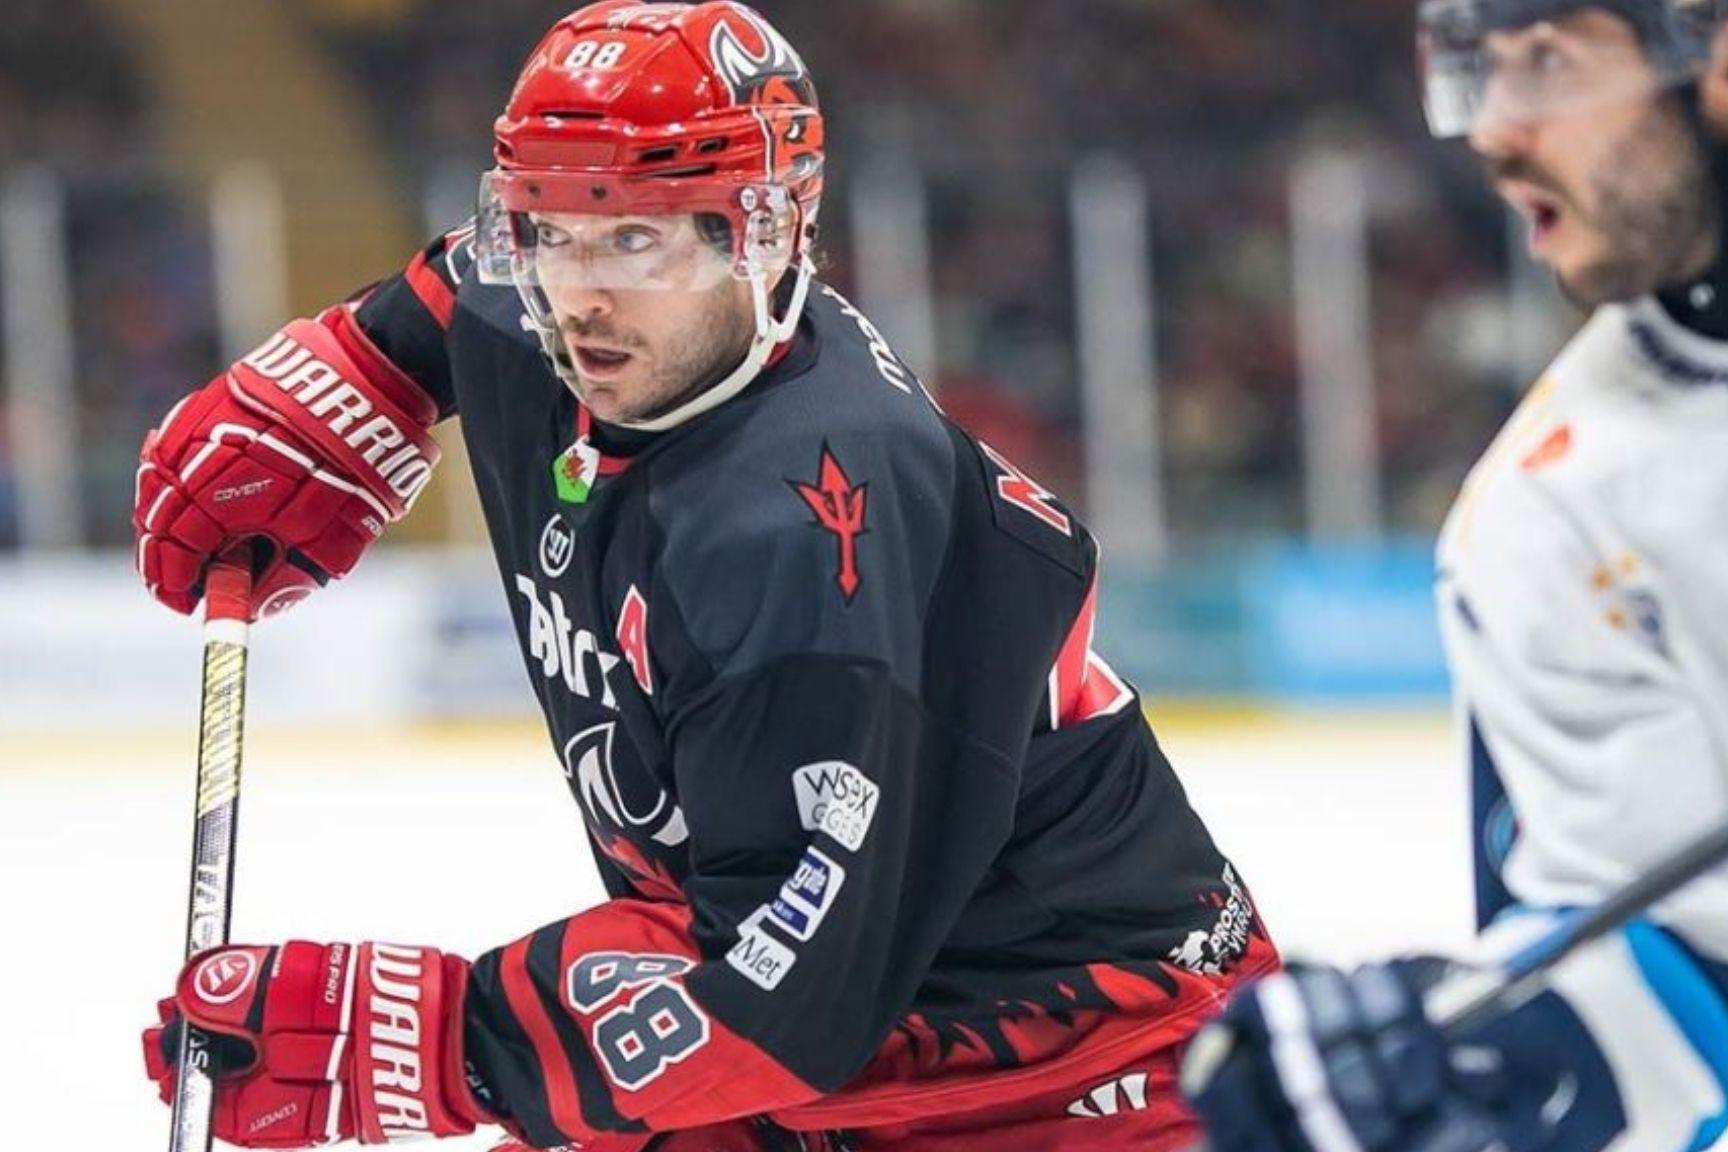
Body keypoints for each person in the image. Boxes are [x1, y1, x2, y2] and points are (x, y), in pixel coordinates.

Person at [133, 4, 1277, 1149]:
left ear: (763, 234)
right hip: (818, 1050)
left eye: (635, 239)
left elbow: (771, 993)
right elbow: (456, 292)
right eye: (545, 229)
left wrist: (437, 1040)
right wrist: (362, 372)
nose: (577, 296)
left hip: (1073, 1072)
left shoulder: (792, 536)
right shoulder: (554, 319)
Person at [1182, 3, 1728, 1151]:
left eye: (1544, 62)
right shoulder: (1551, 519)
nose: (1490, 131)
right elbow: (1682, 983)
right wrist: (1492, 1071)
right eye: (1477, 73)